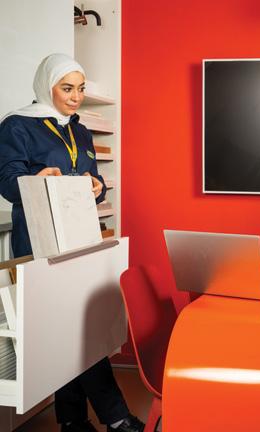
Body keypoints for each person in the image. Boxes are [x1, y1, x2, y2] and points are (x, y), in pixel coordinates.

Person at [0, 54, 144, 432]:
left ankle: (72, 420)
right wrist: (37, 181)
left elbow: (93, 180)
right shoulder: (17, 125)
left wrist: (97, 187)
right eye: (67, 88)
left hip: (79, 237)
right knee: (72, 331)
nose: (76, 96)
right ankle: (116, 417)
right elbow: (7, 182)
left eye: (80, 89)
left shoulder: (79, 130)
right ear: (46, 86)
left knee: (75, 331)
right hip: (38, 241)